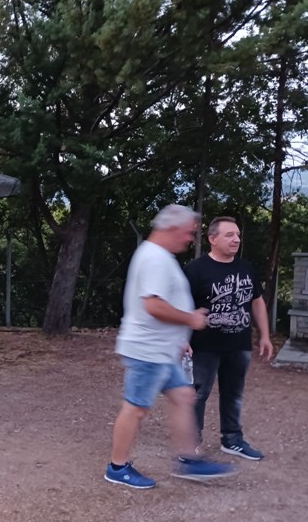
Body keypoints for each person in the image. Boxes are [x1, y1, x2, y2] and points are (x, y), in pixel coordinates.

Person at [105, 204, 236, 489]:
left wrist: (179, 339)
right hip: (148, 351)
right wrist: (190, 319)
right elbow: (153, 306)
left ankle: (189, 459)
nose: (190, 238)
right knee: (136, 408)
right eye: (188, 232)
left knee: (183, 397)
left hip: (162, 350)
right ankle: (117, 467)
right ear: (172, 228)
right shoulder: (155, 258)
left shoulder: (159, 255)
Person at [184, 216, 273, 460]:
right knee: (198, 395)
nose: (236, 239)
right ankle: (190, 445)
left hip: (239, 345)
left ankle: (232, 440)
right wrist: (181, 338)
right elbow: (181, 307)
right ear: (212, 239)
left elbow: (256, 301)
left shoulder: (246, 268)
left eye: (238, 235)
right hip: (204, 347)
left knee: (233, 394)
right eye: (229, 235)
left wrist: (264, 335)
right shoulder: (195, 270)